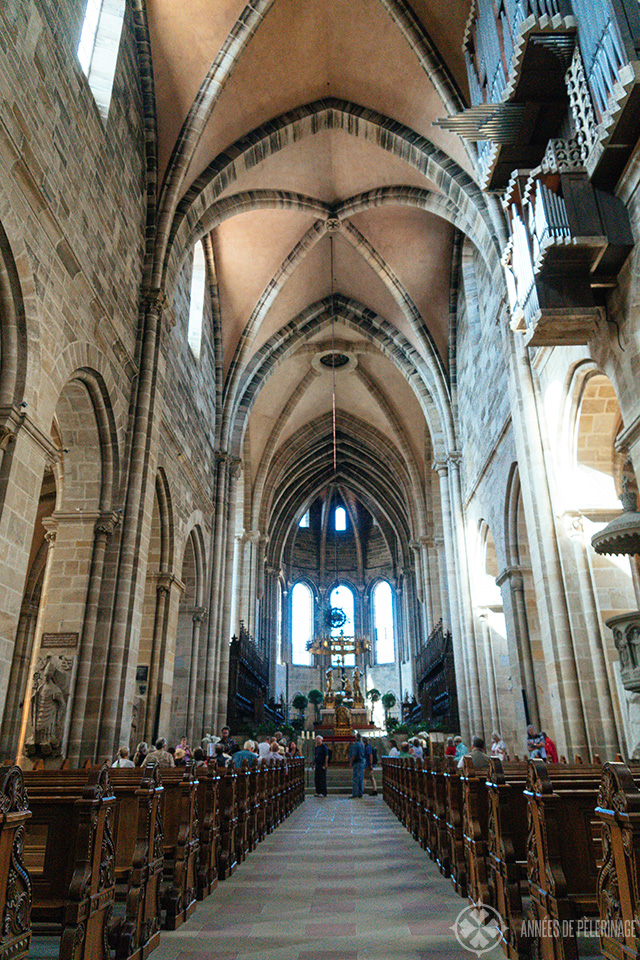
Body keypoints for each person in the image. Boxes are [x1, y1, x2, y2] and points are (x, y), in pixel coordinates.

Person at [349, 732, 366, 798]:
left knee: (355, 778)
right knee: (360, 778)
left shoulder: (356, 745)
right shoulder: (362, 744)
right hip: (362, 762)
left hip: (357, 762)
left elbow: (354, 755)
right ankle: (360, 793)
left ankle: (355, 794)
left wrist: (351, 762)